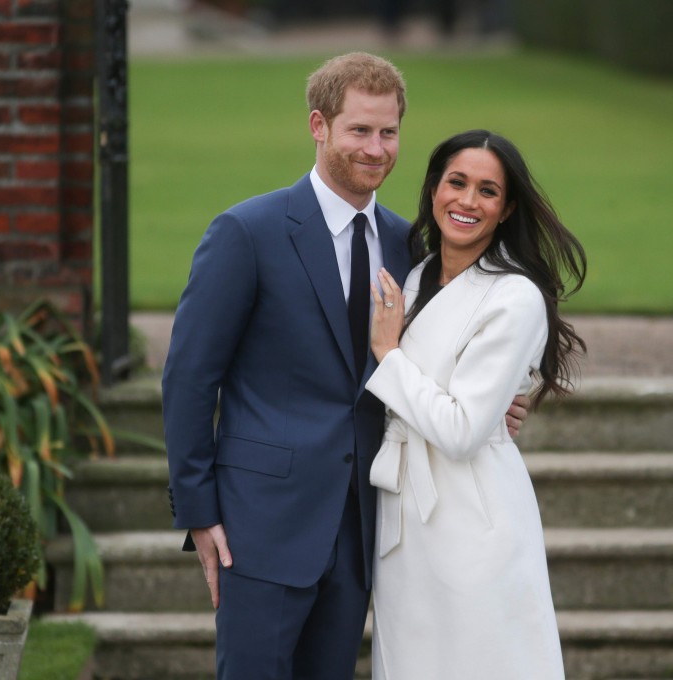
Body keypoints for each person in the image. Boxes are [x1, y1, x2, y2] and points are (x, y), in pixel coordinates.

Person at [161, 54, 528, 680]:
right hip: (261, 524)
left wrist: (490, 403)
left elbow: (429, 359)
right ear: (319, 126)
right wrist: (199, 513)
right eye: (359, 130)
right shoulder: (247, 232)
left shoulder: (410, 245)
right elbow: (191, 378)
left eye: (388, 132)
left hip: (364, 529)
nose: (376, 148)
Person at [366, 129, 586, 679]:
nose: (467, 201)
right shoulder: (415, 278)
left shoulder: (514, 297)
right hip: (403, 514)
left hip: (472, 515)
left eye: (487, 191)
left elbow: (463, 429)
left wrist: (388, 355)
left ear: (506, 207)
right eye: (456, 183)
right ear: (434, 189)